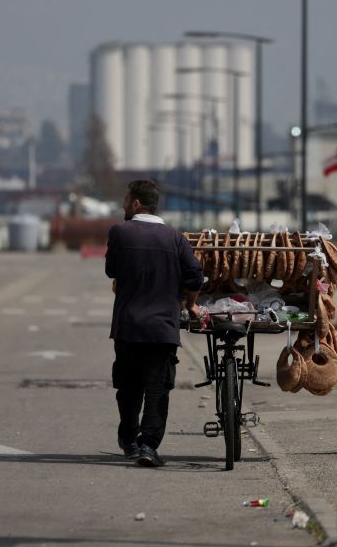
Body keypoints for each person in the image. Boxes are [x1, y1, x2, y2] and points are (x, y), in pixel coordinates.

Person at [105, 179, 203, 467]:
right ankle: (149, 446)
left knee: (128, 387)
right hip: (162, 328)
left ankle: (128, 439)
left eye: (126, 200)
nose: (123, 205)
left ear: (136, 203)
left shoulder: (120, 232)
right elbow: (195, 274)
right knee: (157, 389)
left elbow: (110, 269)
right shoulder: (175, 237)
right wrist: (191, 303)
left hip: (128, 326)